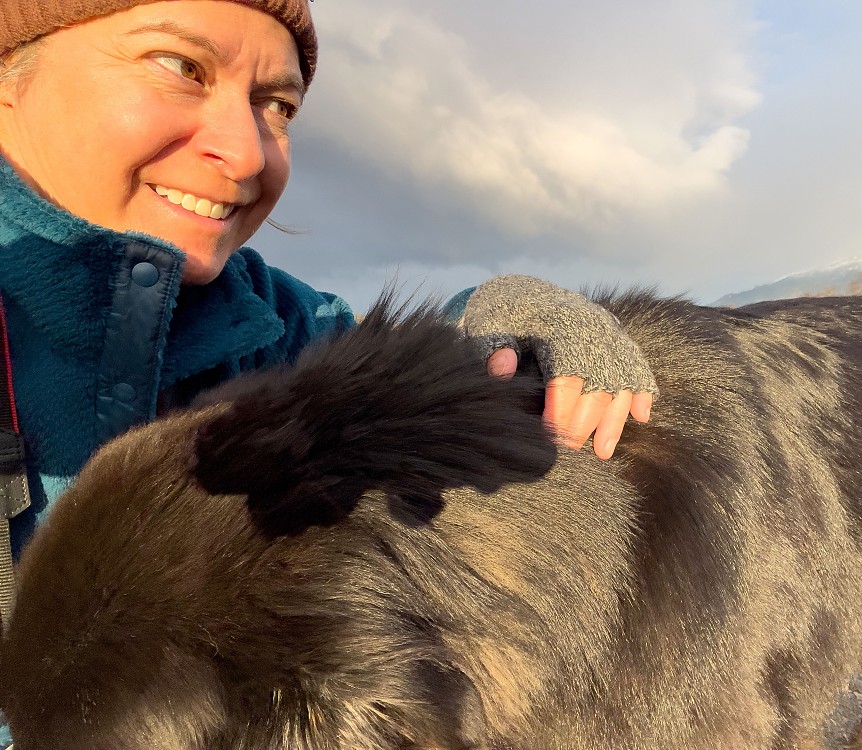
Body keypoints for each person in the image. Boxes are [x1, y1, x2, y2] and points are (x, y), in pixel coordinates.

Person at [0, 3, 655, 740]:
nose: (247, 153)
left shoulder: (263, 322)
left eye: (275, 105)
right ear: (11, 73)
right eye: (182, 67)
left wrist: (511, 322)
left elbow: (386, 370)